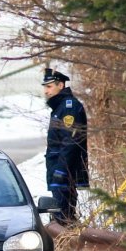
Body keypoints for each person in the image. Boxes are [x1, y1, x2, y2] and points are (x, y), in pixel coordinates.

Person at [42, 67, 88, 225]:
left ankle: (68, 245)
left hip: (64, 171)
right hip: (58, 169)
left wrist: (61, 170)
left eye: (49, 87)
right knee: (59, 215)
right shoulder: (59, 108)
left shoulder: (69, 107)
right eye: (45, 87)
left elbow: (71, 142)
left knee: (63, 217)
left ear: (60, 85)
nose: (46, 91)